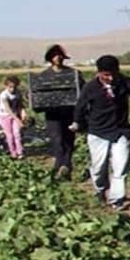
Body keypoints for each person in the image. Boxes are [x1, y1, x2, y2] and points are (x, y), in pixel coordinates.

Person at [69, 55, 130, 211]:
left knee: (120, 168)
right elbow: (80, 107)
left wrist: (125, 80)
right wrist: (77, 123)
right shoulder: (90, 87)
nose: (110, 78)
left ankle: (116, 200)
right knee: (99, 168)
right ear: (99, 73)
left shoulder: (122, 83)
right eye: (106, 75)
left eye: (113, 74)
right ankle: (100, 190)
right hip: (98, 132)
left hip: (120, 132)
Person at [40, 44, 85, 180]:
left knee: (68, 141)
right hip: (53, 114)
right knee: (57, 140)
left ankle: (64, 167)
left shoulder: (73, 74)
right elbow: (37, 93)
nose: (58, 57)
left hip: (70, 112)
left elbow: (83, 91)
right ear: (50, 58)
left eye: (60, 55)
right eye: (54, 55)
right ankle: (61, 167)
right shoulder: (44, 76)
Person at [0, 75, 27, 159]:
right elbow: (8, 110)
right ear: (6, 86)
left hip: (15, 115)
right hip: (5, 116)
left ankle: (20, 152)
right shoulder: (3, 95)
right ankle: (13, 153)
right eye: (10, 87)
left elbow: (20, 105)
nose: (12, 89)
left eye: (14, 87)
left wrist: (23, 113)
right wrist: (18, 120)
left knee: (17, 134)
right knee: (9, 135)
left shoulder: (18, 93)